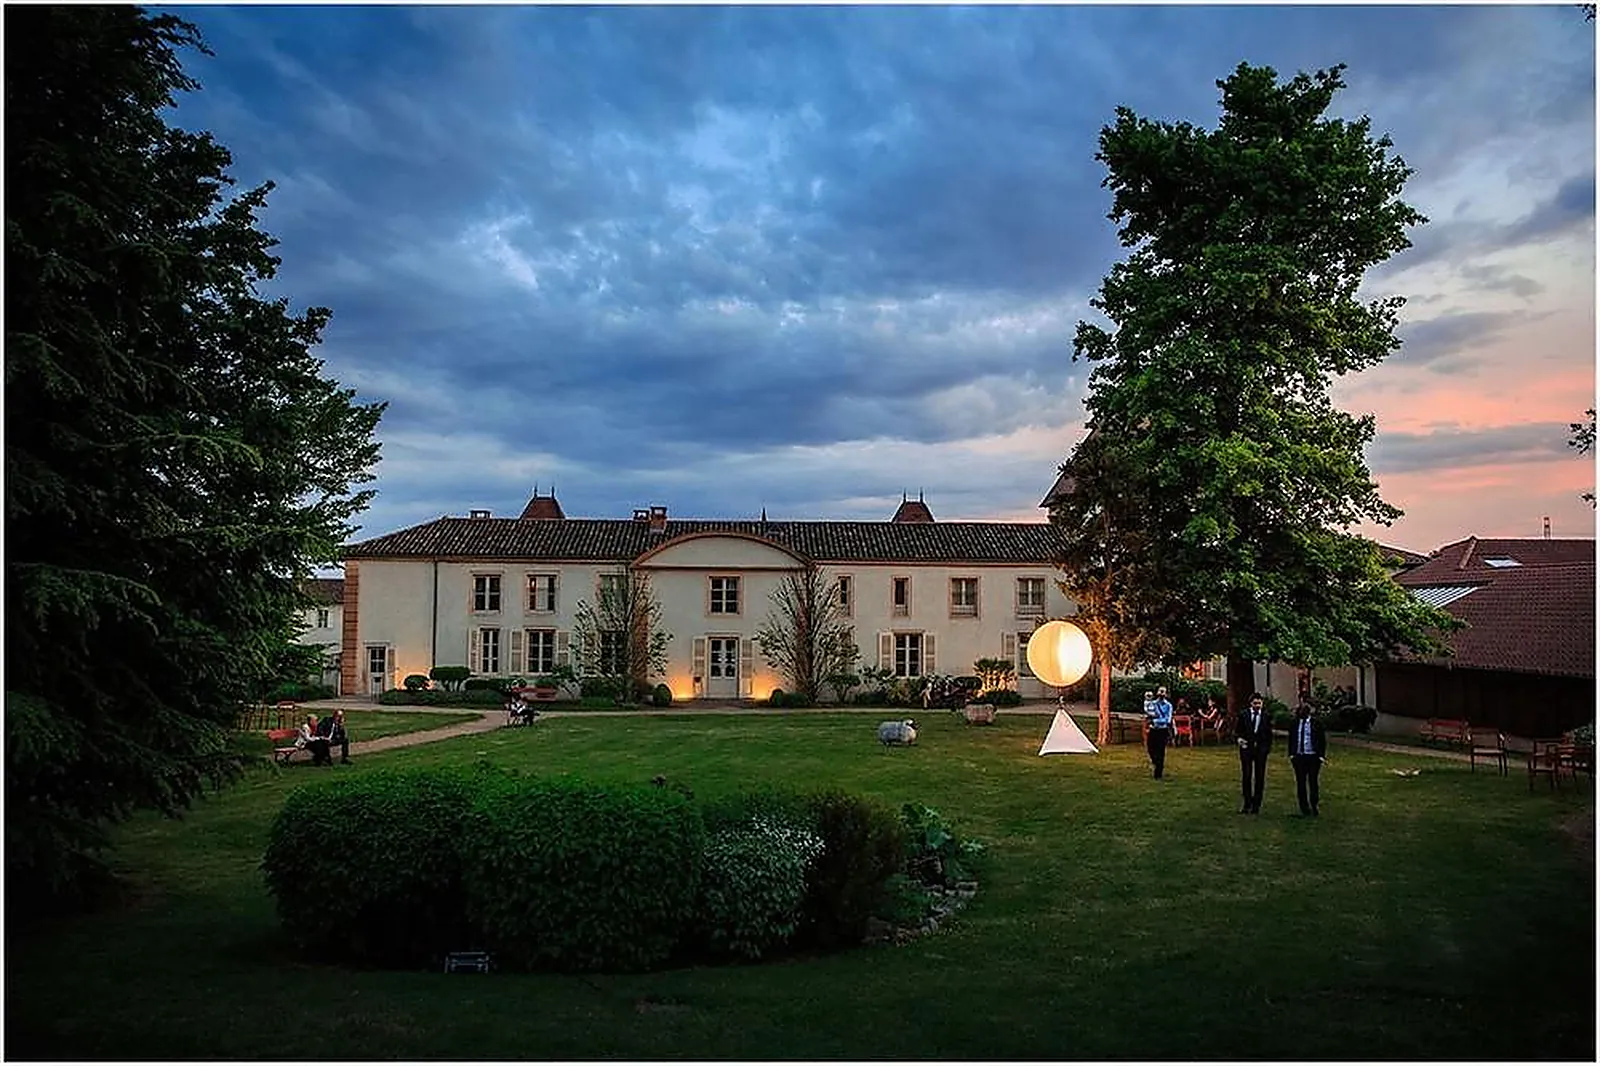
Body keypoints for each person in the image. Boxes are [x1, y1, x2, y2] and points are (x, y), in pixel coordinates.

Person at [1288, 702, 1327, 816]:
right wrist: (1292, 754)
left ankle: (1314, 804)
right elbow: (1292, 739)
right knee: (1300, 782)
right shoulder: (1295, 723)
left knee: (1313, 781)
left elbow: (1322, 740)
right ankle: (1304, 807)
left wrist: (1321, 756)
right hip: (1299, 756)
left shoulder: (1316, 723)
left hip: (1313, 756)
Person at [1237, 692, 1273, 813]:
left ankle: (1257, 804)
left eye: (1259, 703)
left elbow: (1269, 734)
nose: (1257, 705)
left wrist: (1266, 749)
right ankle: (1247, 803)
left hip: (1260, 750)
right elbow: (1238, 730)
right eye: (1255, 703)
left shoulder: (1266, 716)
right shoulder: (1244, 715)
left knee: (1260, 776)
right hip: (1247, 749)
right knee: (1246, 776)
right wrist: (1240, 740)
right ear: (1251, 704)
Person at [1145, 685, 1174, 779]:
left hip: (1162, 730)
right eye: (1160, 691)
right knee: (1150, 748)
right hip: (1153, 729)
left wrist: (1156, 721)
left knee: (1160, 751)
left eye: (1163, 692)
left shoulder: (1169, 706)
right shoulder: (1152, 704)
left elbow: (1168, 720)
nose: (1161, 694)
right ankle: (1155, 762)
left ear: (1166, 694)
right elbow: (1148, 714)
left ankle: (1158, 773)